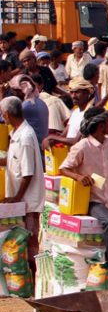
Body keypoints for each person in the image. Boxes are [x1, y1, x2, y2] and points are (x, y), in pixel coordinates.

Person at [59, 108, 108, 285]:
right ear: (100, 126)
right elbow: (63, 168)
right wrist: (78, 177)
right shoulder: (82, 146)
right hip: (92, 199)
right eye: (107, 122)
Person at [0, 97, 44, 273]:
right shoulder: (16, 134)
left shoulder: (25, 137)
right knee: (22, 237)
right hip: (20, 198)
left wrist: (17, 198)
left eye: (3, 114)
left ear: (8, 114)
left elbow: (28, 172)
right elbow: (13, 162)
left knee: (31, 237)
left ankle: (34, 275)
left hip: (28, 199)